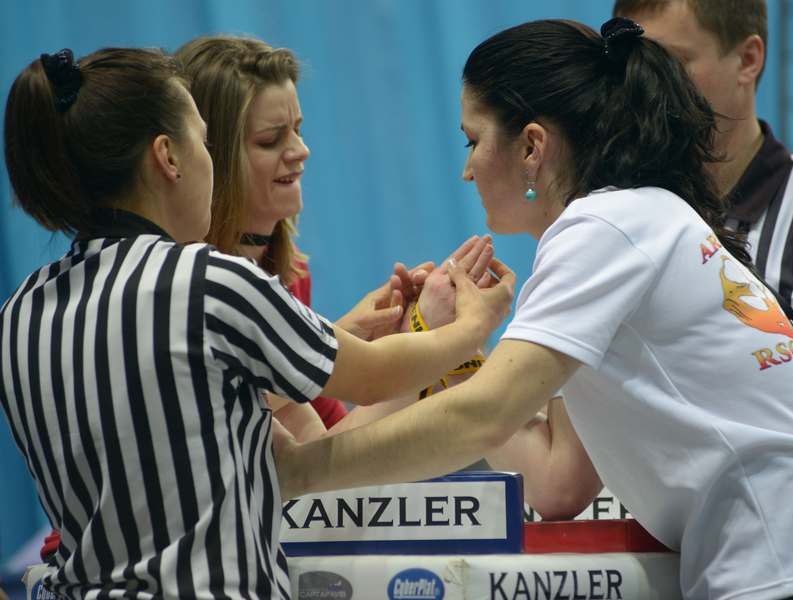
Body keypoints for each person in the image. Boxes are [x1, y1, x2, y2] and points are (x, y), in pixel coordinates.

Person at [273, 18, 793, 599]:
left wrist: (298, 472)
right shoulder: (632, 219)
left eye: (472, 140)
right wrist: (463, 358)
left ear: (532, 147)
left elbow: (486, 417)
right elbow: (558, 482)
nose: (465, 170)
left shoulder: (603, 226)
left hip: (790, 568)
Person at [0, 47, 513, 597]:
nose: (211, 162)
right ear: (168, 156)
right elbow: (376, 378)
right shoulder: (206, 280)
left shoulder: (19, 312)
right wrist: (467, 325)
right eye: (204, 141)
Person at [614, 0, 793, 537]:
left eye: (672, 62)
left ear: (748, 60)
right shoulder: (622, 229)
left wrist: (740, 478)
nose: (645, 89)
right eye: (632, 63)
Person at [172, 35, 496, 439]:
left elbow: (333, 452)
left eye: (297, 130)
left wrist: (412, 339)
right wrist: (349, 342)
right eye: (271, 140)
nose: (301, 150)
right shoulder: (183, 287)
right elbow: (202, 419)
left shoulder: (292, 277)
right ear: (208, 154)